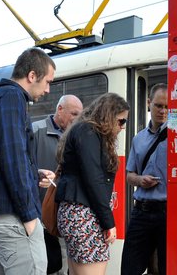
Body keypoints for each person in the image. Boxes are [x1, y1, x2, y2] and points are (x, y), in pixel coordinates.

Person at [0, 47, 57, 275]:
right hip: (11, 214)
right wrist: (29, 216)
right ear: (31, 76)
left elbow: (3, 155)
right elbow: (13, 157)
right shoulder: (11, 97)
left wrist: (33, 173)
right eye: (47, 82)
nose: (48, 89)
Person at [55, 92, 130, 275]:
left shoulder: (82, 131)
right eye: (121, 121)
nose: (122, 127)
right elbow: (94, 179)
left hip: (78, 214)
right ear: (108, 116)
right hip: (85, 216)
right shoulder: (88, 132)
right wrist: (108, 223)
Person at [32, 94, 83, 275]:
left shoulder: (78, 136)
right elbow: (22, 166)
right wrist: (38, 175)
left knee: (62, 264)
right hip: (38, 215)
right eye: (74, 113)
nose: (77, 119)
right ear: (60, 109)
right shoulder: (35, 130)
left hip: (64, 214)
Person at [121, 83, 168, 275]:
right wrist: (140, 181)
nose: (163, 111)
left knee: (169, 268)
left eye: (167, 107)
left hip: (169, 213)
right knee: (130, 268)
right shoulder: (138, 139)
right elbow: (129, 175)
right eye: (158, 105)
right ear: (149, 103)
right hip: (142, 211)